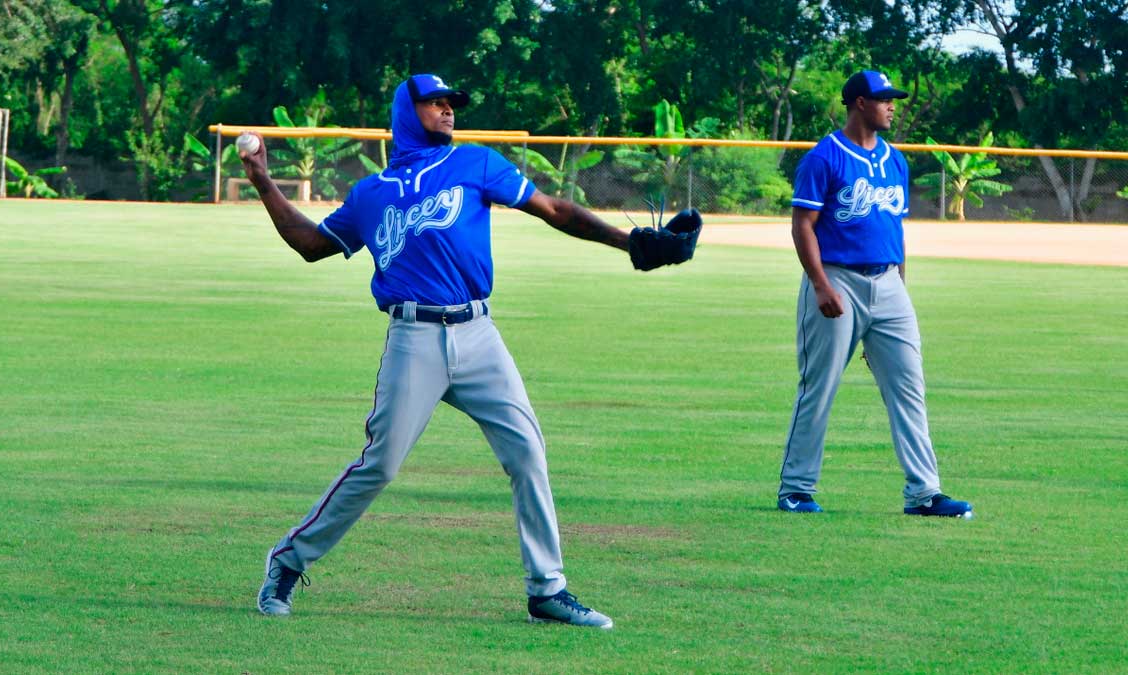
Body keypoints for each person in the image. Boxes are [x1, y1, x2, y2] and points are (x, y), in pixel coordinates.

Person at [241, 74, 674, 628]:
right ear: (407, 110)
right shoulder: (371, 195)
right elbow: (310, 244)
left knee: (527, 451)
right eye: (435, 103)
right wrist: (263, 182)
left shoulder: (474, 163)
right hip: (413, 337)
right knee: (381, 464)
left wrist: (627, 241)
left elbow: (555, 209)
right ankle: (287, 560)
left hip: (478, 334)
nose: (447, 111)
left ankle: (547, 589)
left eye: (451, 104)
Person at [776, 70, 973, 519]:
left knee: (909, 387)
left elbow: (894, 230)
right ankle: (796, 488)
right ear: (860, 103)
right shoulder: (824, 158)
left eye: (892, 99)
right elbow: (801, 225)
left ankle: (924, 493)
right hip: (836, 280)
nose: (892, 106)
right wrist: (821, 283)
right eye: (884, 99)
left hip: (888, 286)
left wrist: (897, 296)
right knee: (819, 387)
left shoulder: (895, 160)